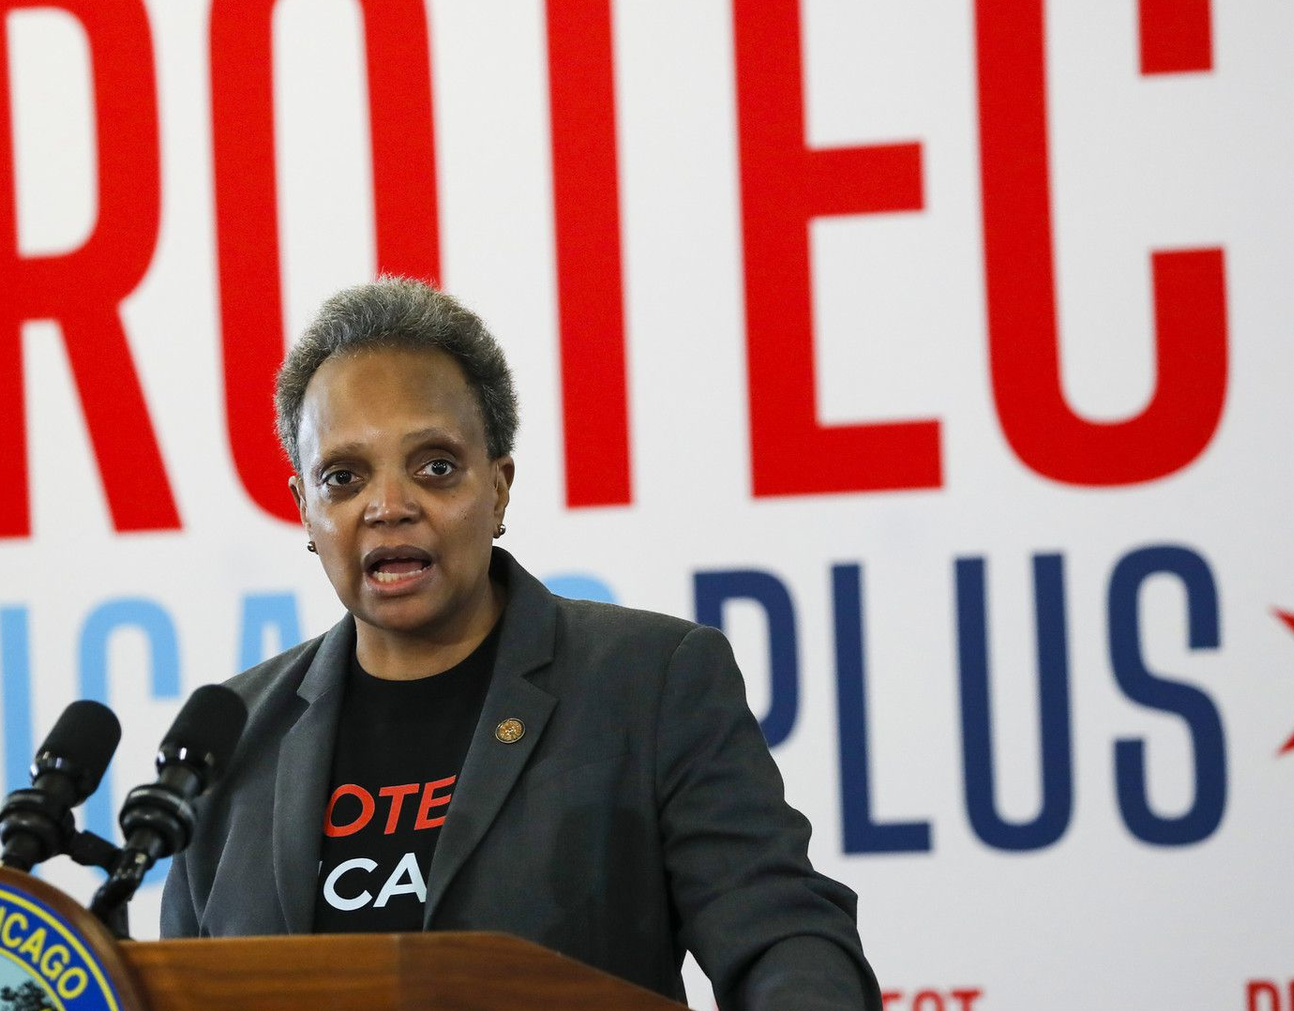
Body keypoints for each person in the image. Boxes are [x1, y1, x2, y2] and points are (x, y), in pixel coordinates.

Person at [161, 277, 882, 1010]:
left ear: (499, 488)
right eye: (343, 478)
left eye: (435, 467)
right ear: (305, 511)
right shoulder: (231, 741)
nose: (388, 507)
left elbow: (782, 935)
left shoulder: (648, 683)